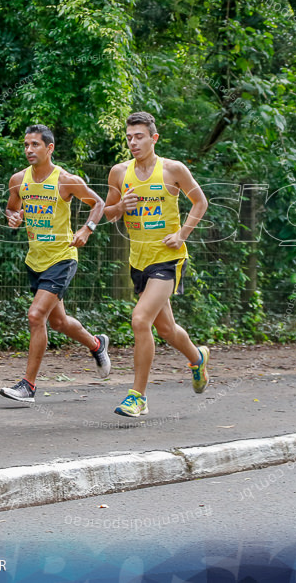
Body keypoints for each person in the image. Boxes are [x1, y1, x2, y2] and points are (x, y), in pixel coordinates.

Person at [103, 111, 210, 417]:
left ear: (154, 138)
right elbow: (109, 213)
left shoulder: (172, 170)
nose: (133, 143)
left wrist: (182, 233)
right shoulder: (119, 173)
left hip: (168, 258)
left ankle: (138, 396)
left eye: (139, 137)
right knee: (165, 329)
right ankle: (197, 358)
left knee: (140, 320)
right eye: (129, 138)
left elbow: (200, 202)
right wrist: (120, 206)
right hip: (138, 260)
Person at [0, 124, 110, 403]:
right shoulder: (18, 180)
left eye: (35, 144)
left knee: (36, 316)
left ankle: (29, 386)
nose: (28, 150)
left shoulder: (66, 180)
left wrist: (87, 230)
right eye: (26, 144)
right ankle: (97, 344)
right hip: (35, 259)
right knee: (59, 322)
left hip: (62, 258)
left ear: (49, 148)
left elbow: (97, 203)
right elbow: (12, 208)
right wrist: (13, 217)